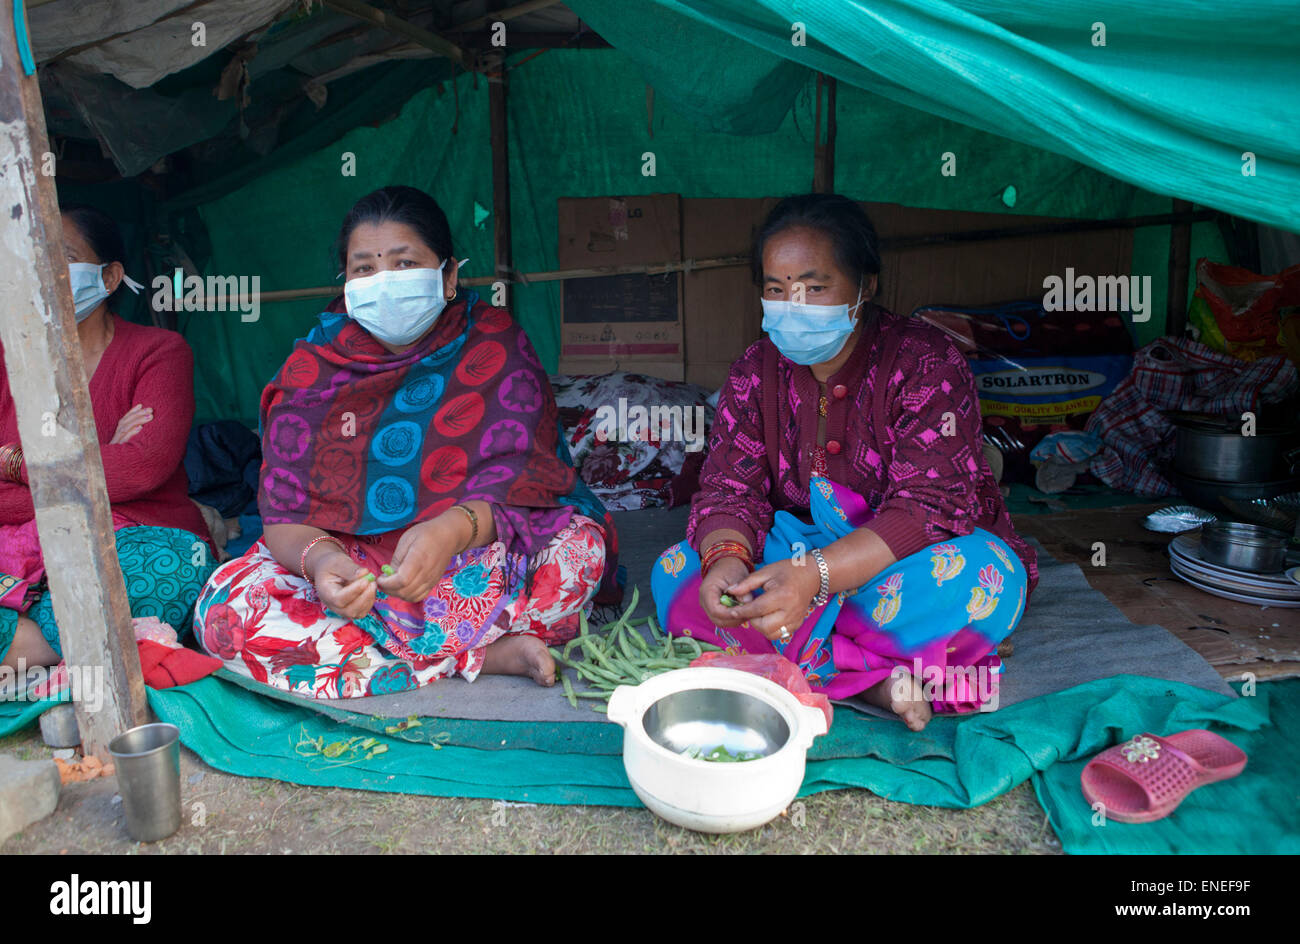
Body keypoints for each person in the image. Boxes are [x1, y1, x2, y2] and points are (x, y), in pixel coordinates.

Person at [193, 185, 619, 698]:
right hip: (357, 569)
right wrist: (325, 563)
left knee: (578, 552)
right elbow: (286, 516)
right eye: (365, 269)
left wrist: (452, 531)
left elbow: (532, 484)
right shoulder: (312, 371)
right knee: (226, 613)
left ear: (448, 276)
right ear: (346, 282)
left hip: (472, 559)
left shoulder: (493, 343)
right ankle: (484, 656)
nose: (384, 283)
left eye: (404, 263)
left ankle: (389, 660)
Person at [651, 194, 1038, 731]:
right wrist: (729, 563)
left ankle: (799, 659)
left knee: (985, 577)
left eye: (815, 286)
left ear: (866, 285)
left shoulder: (926, 360)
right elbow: (727, 488)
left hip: (899, 563)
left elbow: (927, 510)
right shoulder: (754, 370)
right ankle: (877, 676)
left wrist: (817, 577)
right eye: (776, 289)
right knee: (678, 576)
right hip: (792, 554)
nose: (794, 304)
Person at [0, 205, 215, 674]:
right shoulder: (5, 357)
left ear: (110, 276)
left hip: (135, 535)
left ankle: (23, 645)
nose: (45, 268)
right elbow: (115, 473)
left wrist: (14, 465)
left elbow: (145, 467)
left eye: (63, 255)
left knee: (169, 566)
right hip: (15, 549)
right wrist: (100, 458)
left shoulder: (159, 352)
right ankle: (61, 644)